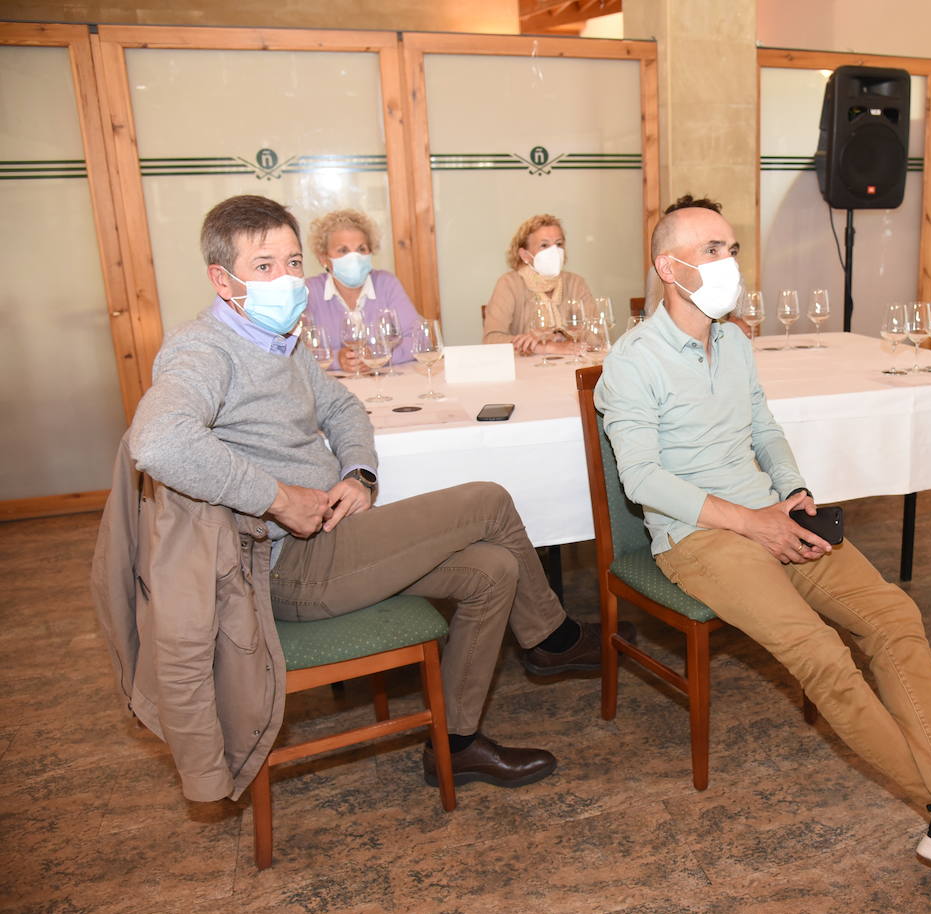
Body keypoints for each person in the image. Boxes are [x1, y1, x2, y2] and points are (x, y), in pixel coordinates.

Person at [595, 201, 931, 913]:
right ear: (670, 268)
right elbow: (643, 480)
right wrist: (754, 525)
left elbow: (763, 424)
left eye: (730, 246)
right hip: (696, 537)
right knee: (821, 653)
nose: (727, 261)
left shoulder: (732, 343)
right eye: (710, 249)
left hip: (771, 513)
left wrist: (790, 491)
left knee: (893, 615)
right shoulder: (632, 363)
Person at [129, 195, 631, 791]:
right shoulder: (204, 349)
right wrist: (277, 498)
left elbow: (342, 405)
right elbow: (157, 441)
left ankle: (458, 742)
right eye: (264, 266)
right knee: (488, 499)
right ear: (223, 279)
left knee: (494, 569)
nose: (286, 278)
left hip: (334, 536)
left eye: (292, 263)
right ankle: (553, 638)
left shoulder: (279, 340)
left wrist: (360, 472)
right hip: (285, 563)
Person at [304, 208, 422, 374]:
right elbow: (296, 352)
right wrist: (338, 359)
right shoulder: (310, 291)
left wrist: (380, 355)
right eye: (343, 250)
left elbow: (419, 339)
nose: (354, 257)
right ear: (324, 258)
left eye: (361, 249)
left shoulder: (386, 283)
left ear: (370, 252)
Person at [483, 213, 594, 356]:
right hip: (527, 371)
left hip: (572, 367)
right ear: (524, 255)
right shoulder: (509, 283)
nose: (554, 251)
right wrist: (544, 347)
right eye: (544, 245)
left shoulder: (576, 283)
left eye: (559, 244)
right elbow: (491, 340)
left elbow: (597, 335)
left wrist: (557, 336)